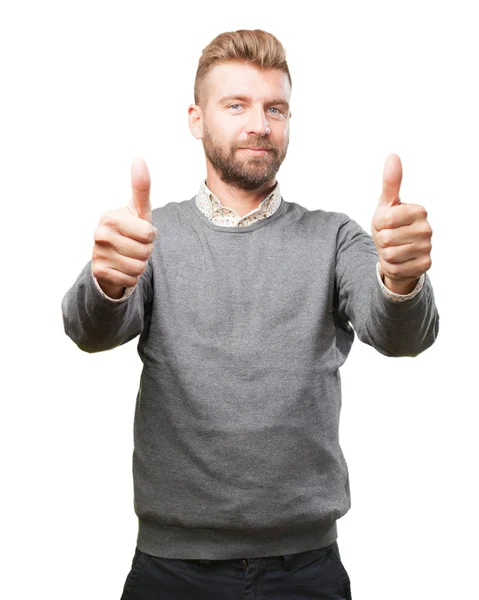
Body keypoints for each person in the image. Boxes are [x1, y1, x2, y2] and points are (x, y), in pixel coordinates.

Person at [61, 29, 439, 600]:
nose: (259, 123)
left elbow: (400, 333)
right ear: (196, 118)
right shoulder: (149, 237)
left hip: (306, 569)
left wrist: (402, 277)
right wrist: (106, 282)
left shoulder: (334, 237)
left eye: (275, 108)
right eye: (235, 105)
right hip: (172, 568)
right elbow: (88, 330)